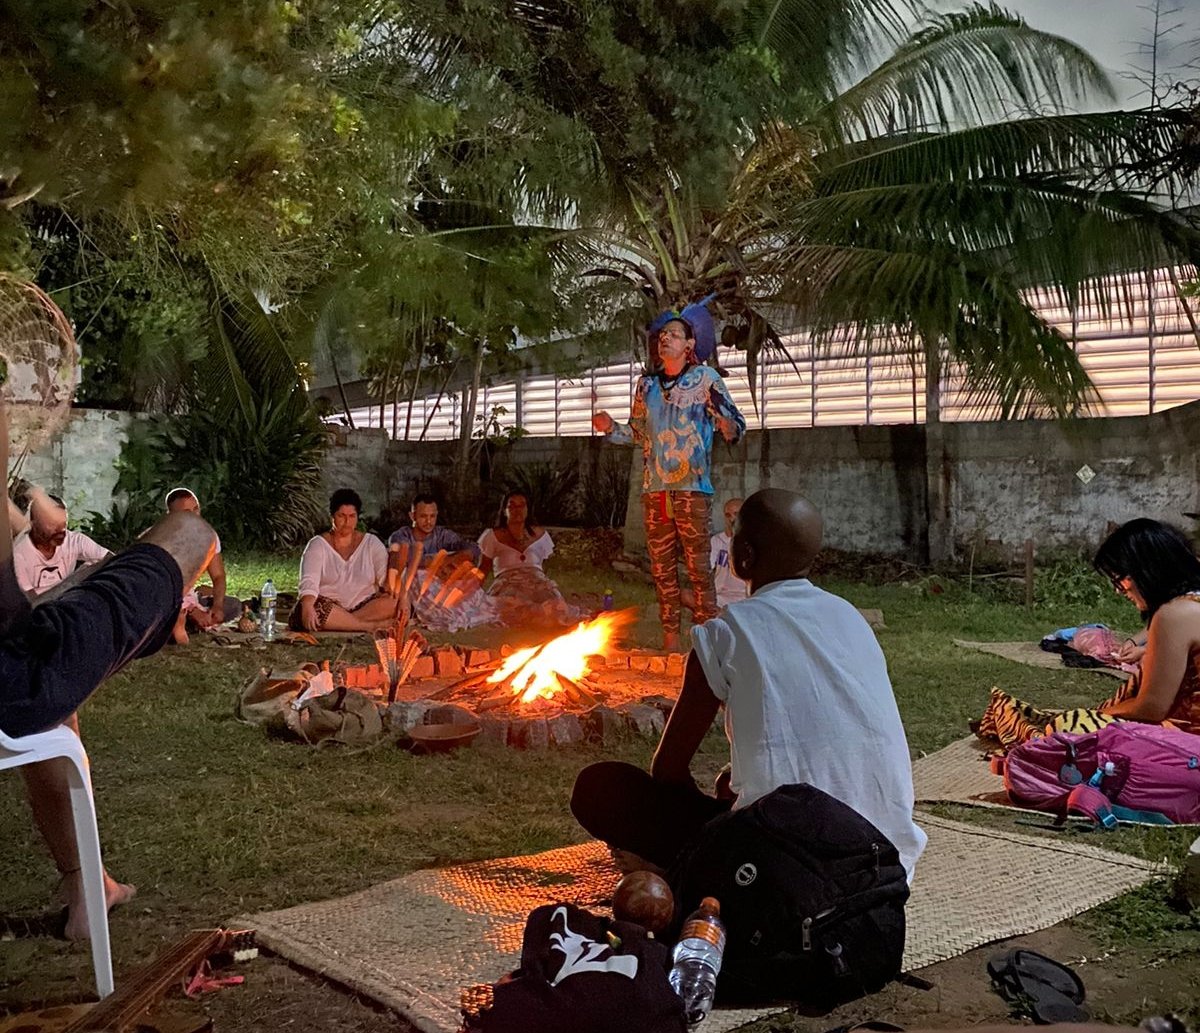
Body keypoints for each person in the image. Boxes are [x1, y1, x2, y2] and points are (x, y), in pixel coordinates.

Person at [571, 488, 927, 882]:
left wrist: (711, 817)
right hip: (882, 864)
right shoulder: (852, 620)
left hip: (773, 871)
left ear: (743, 555)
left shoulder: (725, 634)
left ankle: (681, 872)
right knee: (738, 792)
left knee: (599, 787)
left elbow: (668, 771)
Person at [1, 400, 217, 940]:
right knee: (190, 532)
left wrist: (25, 511)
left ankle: (88, 885)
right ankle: (88, 886)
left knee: (56, 706)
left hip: (26, 666)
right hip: (22, 670)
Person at [593, 301, 745, 651]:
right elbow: (637, 433)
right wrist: (610, 427)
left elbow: (736, 423)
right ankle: (670, 640)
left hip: (692, 488)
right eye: (662, 334)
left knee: (698, 566)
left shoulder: (706, 379)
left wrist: (727, 426)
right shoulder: (646, 385)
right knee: (661, 568)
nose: (665, 339)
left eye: (674, 335)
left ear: (690, 344)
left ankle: (705, 640)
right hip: (656, 490)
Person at [978, 518, 1200, 748]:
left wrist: (1097, 714)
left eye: (1119, 579)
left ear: (1146, 570)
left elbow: (1152, 707)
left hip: (1188, 746)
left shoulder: (1173, 615)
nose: (1118, 590)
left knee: (1064, 732)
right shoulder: (1189, 604)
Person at [291, 488, 399, 632]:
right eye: (341, 516)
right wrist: (308, 605)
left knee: (393, 602)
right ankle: (368, 626)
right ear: (332, 517)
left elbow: (385, 581)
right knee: (311, 608)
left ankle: (342, 623)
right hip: (328, 606)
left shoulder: (371, 543)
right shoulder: (317, 544)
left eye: (352, 516)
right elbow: (309, 581)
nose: (347, 522)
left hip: (363, 607)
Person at [478, 491, 581, 628]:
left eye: (522, 505)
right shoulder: (492, 536)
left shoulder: (540, 534)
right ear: (504, 510)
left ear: (527, 509)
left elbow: (543, 565)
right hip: (508, 583)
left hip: (536, 581)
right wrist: (472, 594)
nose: (517, 510)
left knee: (555, 606)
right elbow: (483, 568)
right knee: (511, 608)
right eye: (512, 506)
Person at [165, 487, 240, 643]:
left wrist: (217, 606)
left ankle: (188, 624)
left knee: (233, 605)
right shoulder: (163, 539)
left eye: (196, 509)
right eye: (187, 512)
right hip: (166, 600)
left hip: (189, 598)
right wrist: (192, 610)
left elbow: (218, 576)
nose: (195, 516)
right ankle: (179, 626)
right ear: (171, 516)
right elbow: (163, 588)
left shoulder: (208, 536)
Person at [12, 493, 111, 596]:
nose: (60, 530)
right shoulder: (19, 553)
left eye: (64, 523)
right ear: (35, 523)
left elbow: (112, 559)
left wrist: (91, 570)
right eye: (53, 524)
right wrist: (74, 580)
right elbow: (29, 600)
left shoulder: (74, 540)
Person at [680, 496, 748, 613]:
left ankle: (717, 614)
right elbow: (706, 568)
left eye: (736, 514)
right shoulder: (717, 540)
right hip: (719, 596)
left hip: (744, 597)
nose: (732, 519)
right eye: (728, 515)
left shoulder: (754, 541)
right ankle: (720, 614)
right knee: (685, 594)